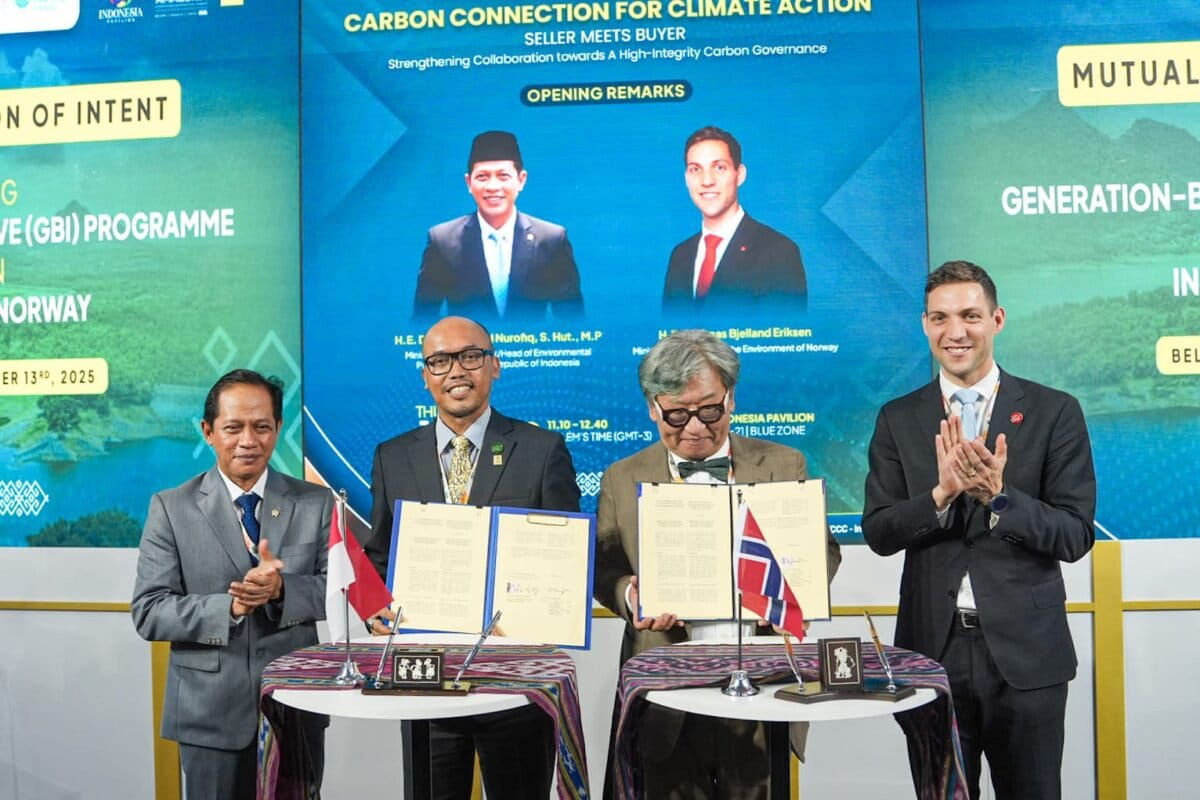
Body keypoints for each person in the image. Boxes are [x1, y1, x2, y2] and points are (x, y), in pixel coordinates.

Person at [863, 260, 1096, 800]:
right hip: (932, 654)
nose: (956, 332)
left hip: (1027, 657)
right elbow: (879, 531)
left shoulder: (1054, 411)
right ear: (925, 324)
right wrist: (939, 496)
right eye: (940, 318)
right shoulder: (898, 417)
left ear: (997, 319)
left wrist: (1000, 498)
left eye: (970, 315)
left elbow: (1075, 533)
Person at [593, 329, 841, 798]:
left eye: (710, 410)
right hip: (665, 688)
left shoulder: (784, 464)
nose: (694, 428)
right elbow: (602, 568)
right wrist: (629, 592)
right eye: (676, 414)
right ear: (651, 406)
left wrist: (796, 587)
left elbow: (824, 550)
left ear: (731, 398)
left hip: (763, 686)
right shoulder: (621, 477)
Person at [363, 314, 581, 800]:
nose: (455, 371)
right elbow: (379, 554)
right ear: (425, 375)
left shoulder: (542, 449)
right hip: (425, 673)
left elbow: (565, 557)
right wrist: (374, 607)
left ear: (495, 366)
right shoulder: (392, 456)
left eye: (470, 356)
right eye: (439, 361)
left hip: (514, 674)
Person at [132, 369, 330, 800]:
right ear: (208, 431)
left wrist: (281, 590)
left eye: (262, 427)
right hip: (209, 714)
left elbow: (338, 591)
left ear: (278, 429)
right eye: (233, 427)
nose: (248, 440)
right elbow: (149, 610)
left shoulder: (315, 503)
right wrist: (232, 607)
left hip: (294, 705)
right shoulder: (171, 507)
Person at [413, 130, 584, 321]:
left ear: (521, 180)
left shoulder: (552, 239)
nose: (493, 187)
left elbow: (572, 321)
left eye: (503, 176)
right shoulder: (442, 239)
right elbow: (423, 319)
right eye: (483, 177)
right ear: (469, 183)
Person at [662, 126, 807, 313]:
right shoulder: (680, 255)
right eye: (695, 169)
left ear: (740, 174)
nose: (707, 181)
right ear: (686, 178)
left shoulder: (779, 252)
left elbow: (787, 335)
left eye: (719, 167)